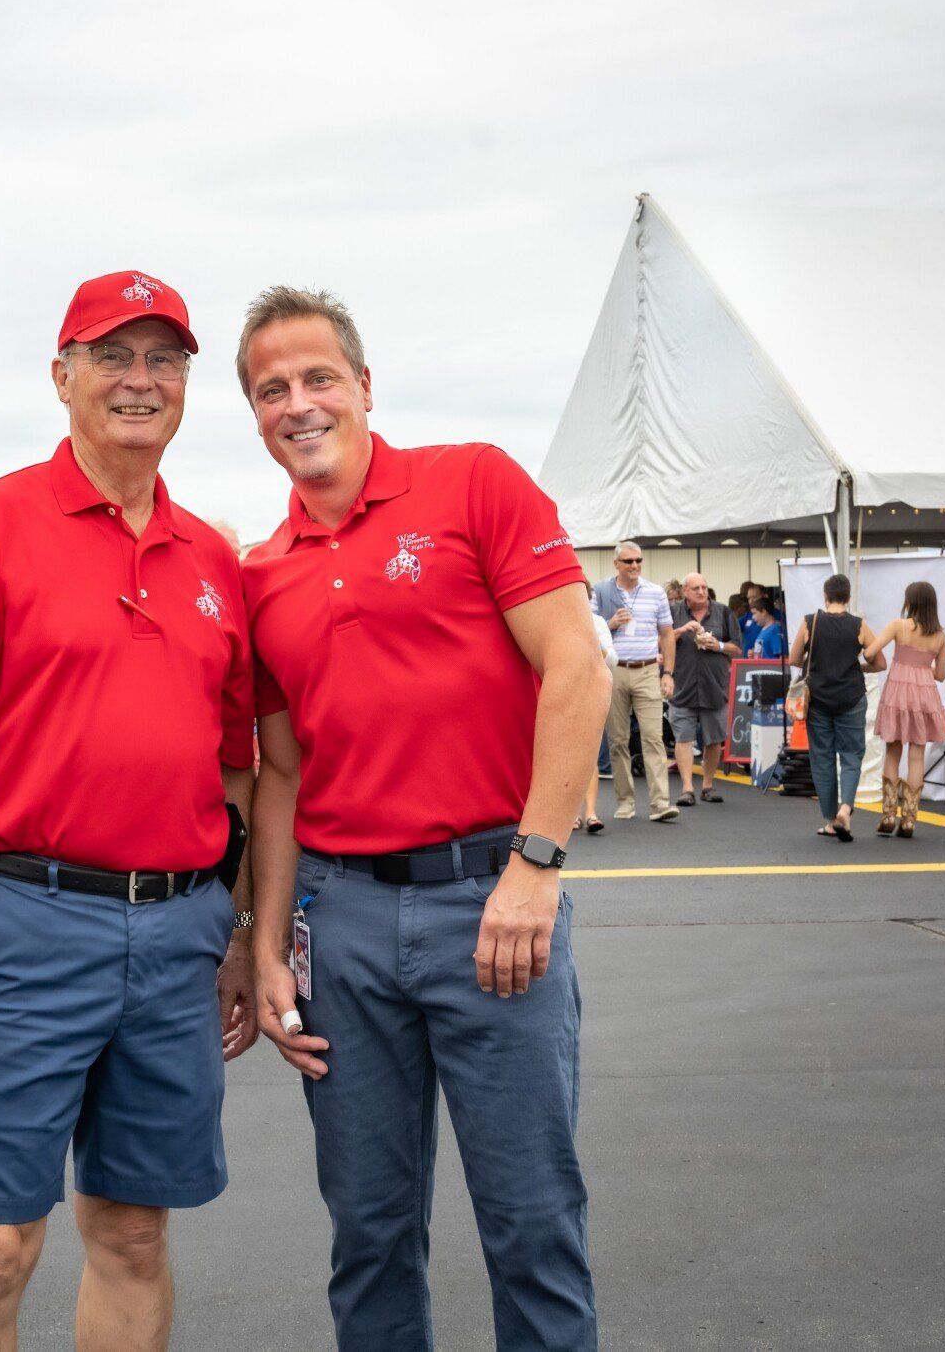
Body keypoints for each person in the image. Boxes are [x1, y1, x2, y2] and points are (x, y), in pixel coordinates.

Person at [0, 270, 255, 1352]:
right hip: (19, 926)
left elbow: (236, 776)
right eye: (112, 355)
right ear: (62, 376)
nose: (140, 381)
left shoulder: (213, 561)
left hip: (176, 929)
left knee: (135, 1234)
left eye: (164, 359)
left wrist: (230, 930)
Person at [236, 287, 605, 1352]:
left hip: (492, 900)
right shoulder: (262, 577)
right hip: (340, 926)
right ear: (256, 414)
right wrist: (266, 947)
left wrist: (535, 867)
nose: (298, 404)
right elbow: (280, 777)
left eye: (316, 378)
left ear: (362, 386)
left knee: (531, 1221)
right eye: (272, 389)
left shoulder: (473, 482)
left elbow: (574, 666)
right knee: (370, 1231)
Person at [788, 574, 886, 841]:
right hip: (852, 698)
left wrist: (815, 657)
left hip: (818, 699)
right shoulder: (859, 625)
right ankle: (846, 810)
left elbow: (795, 658)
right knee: (852, 756)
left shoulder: (810, 622)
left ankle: (830, 821)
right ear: (848, 598)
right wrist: (858, 666)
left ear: (825, 596)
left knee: (823, 758)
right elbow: (880, 664)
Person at [592, 540, 679, 822]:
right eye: (628, 561)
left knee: (653, 738)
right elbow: (589, 628)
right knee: (618, 740)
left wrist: (668, 673)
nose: (635, 566)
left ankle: (660, 803)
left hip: (647, 669)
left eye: (638, 560)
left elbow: (667, 633)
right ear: (616, 564)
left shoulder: (655, 593)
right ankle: (625, 801)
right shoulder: (601, 591)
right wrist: (611, 623)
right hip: (614, 670)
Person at [868, 582, 945, 838]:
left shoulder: (898, 626)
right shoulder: (940, 636)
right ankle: (909, 820)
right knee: (917, 755)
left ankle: (889, 814)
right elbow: (939, 675)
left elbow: (871, 652)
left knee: (893, 751)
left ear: (910, 602)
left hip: (897, 694)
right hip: (925, 695)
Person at [667, 573, 740, 806]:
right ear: (685, 591)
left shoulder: (724, 613)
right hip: (683, 683)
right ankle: (687, 788)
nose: (701, 591)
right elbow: (662, 639)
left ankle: (708, 785)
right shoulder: (673, 612)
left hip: (713, 685)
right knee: (684, 737)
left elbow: (737, 648)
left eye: (704, 587)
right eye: (696, 588)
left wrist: (717, 645)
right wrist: (680, 631)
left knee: (713, 740)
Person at [580, 583, 617, 835]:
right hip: (554, 692)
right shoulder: (549, 619)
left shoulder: (596, 622)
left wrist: (592, 640)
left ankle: (591, 812)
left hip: (587, 692)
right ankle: (570, 813)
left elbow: (612, 659)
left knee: (589, 754)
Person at [749, 596, 787, 660]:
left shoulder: (776, 629)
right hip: (760, 669)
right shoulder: (764, 629)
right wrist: (754, 654)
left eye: (754, 613)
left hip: (770, 669)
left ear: (764, 611)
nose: (752, 617)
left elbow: (782, 658)